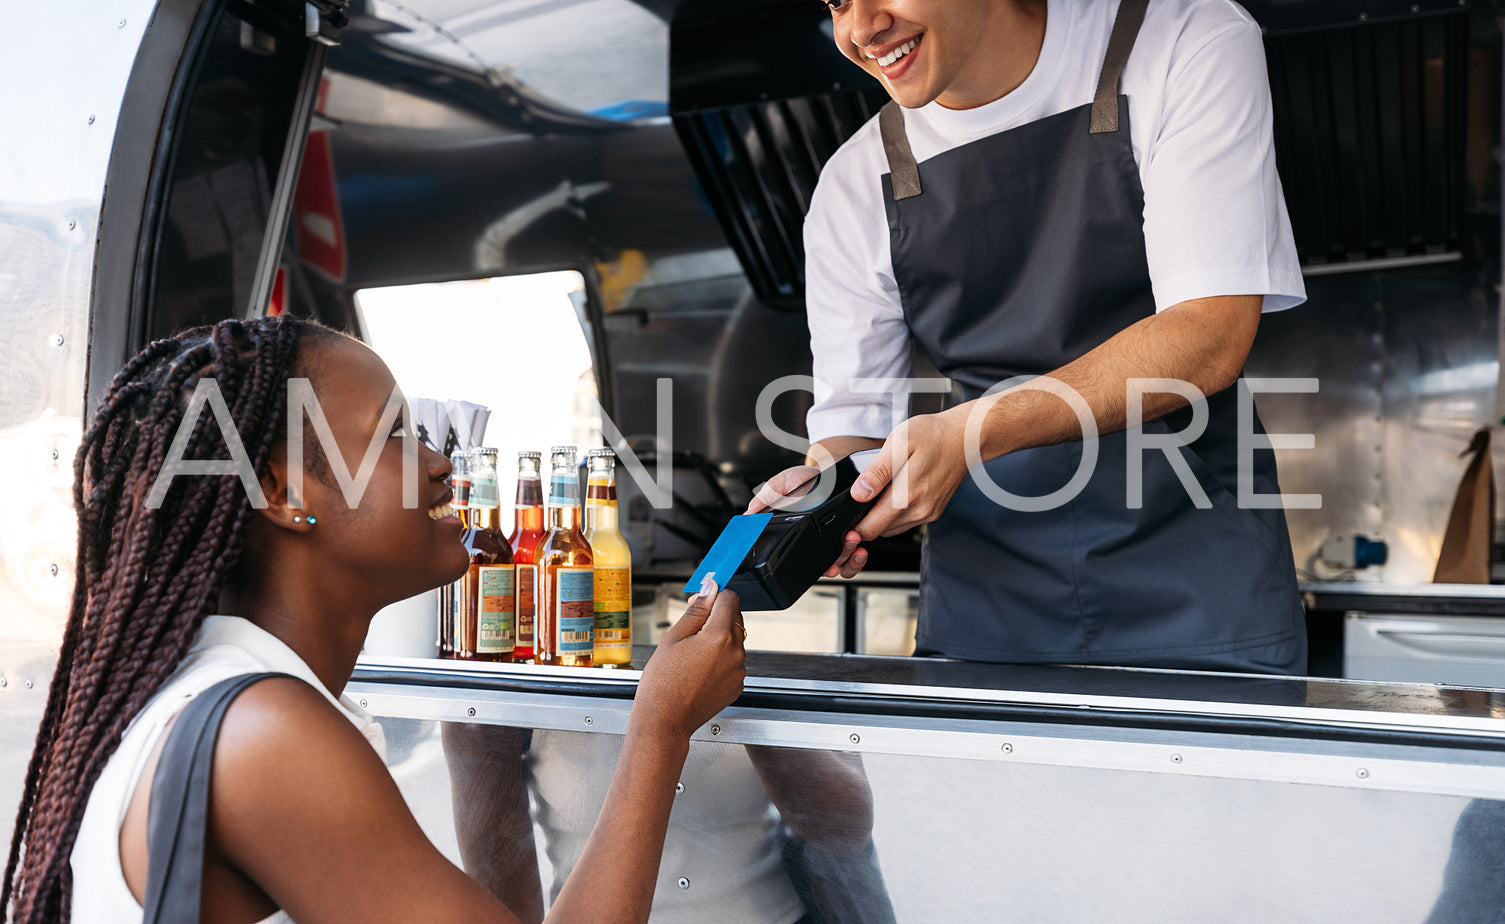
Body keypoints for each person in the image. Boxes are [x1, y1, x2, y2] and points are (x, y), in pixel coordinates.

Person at [1, 317, 747, 923]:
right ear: (284, 493)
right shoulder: (267, 736)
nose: (439, 463)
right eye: (396, 433)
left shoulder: (214, 692)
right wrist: (660, 728)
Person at [750, 0, 1308, 674]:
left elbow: (1207, 335)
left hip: (1204, 591)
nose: (860, 28)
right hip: (985, 610)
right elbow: (855, 426)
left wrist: (969, 433)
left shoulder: (1180, 38)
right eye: (836, 2)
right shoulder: (852, 183)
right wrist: (824, 493)